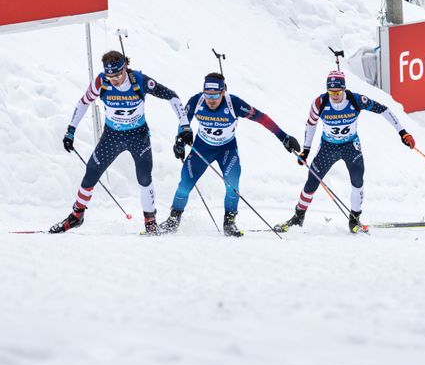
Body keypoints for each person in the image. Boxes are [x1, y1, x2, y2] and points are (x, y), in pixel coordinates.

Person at [50, 51, 192, 234]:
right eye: (110, 76)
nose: (114, 80)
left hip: (138, 136)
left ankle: (150, 224)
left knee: (144, 177)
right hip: (112, 136)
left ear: (125, 67)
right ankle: (77, 216)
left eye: (118, 75)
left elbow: (171, 96)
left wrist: (185, 126)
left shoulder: (139, 80)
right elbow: (84, 102)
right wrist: (71, 130)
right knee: (91, 172)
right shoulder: (101, 82)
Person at [159, 73, 299, 237]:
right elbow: (184, 122)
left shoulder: (234, 104)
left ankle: (229, 222)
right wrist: (180, 141)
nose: (211, 100)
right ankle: (173, 220)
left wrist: (283, 137)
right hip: (201, 148)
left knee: (232, 185)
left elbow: (262, 118)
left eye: (215, 95)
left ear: (223, 92)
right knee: (185, 184)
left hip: (227, 149)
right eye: (208, 95)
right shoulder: (196, 101)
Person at [276, 71, 415, 234]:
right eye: (331, 92)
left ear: (343, 89)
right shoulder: (319, 103)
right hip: (328, 147)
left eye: (338, 92)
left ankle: (354, 219)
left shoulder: (356, 100)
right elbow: (310, 125)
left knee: (357, 180)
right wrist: (306, 150)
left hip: (351, 146)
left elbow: (383, 110)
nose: (334, 95)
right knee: (311, 183)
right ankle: (298, 217)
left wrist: (402, 132)